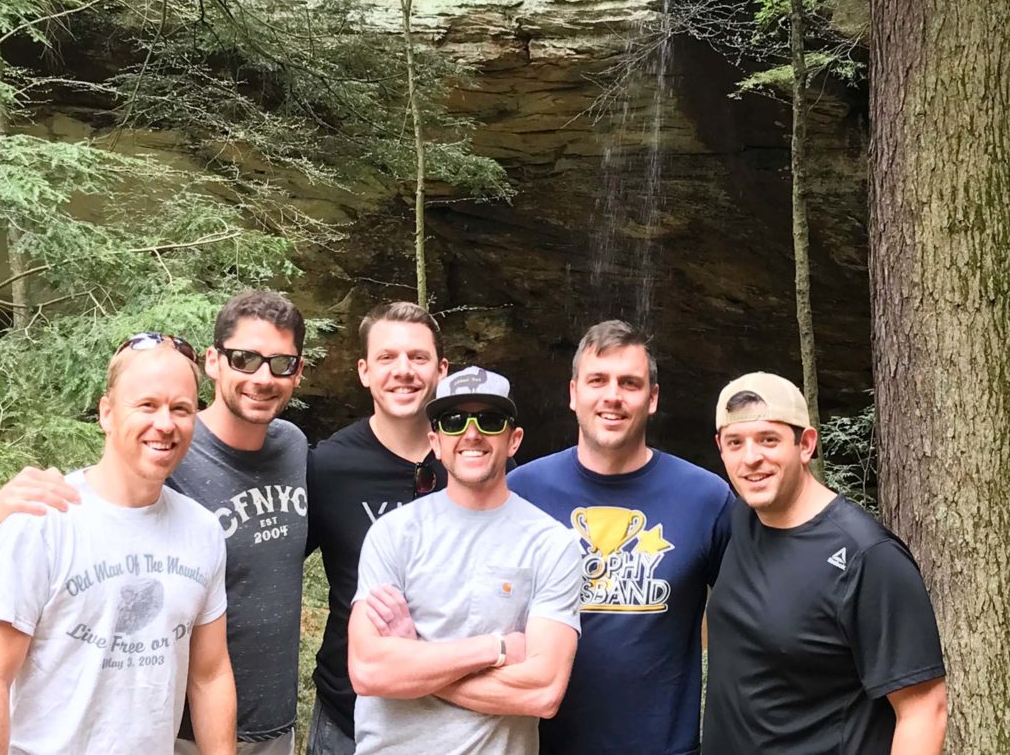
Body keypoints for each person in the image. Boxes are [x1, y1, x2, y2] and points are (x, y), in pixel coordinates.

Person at [0, 291, 309, 754]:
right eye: (244, 359)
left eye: (280, 363)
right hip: (175, 733)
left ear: (297, 371)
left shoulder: (291, 451)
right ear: (215, 362)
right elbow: (112, 491)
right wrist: (4, 517)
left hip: (262, 723)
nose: (262, 377)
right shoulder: (154, 461)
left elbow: (213, 669)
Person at [0, 333, 235, 754]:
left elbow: (210, 674)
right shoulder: (41, 521)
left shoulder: (202, 531)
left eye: (181, 408)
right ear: (106, 413)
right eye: (147, 405)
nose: (165, 424)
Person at [506, 320, 735, 755]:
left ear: (652, 399)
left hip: (664, 746)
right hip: (541, 744)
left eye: (629, 383)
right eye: (598, 380)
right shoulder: (523, 492)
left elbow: (760, 610)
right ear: (574, 393)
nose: (612, 396)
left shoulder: (706, 498)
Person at [703, 372, 948, 754]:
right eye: (736, 443)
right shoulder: (741, 520)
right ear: (721, 448)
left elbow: (924, 710)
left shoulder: (867, 556)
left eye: (769, 440)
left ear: (806, 444)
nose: (751, 458)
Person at [347, 366, 583, 755]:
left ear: (514, 440)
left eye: (489, 420)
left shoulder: (552, 544)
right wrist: (496, 649)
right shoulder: (393, 535)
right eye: (454, 421)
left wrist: (415, 657)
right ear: (435, 442)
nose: (471, 434)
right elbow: (369, 670)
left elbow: (543, 691)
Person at [305, 301, 449, 754]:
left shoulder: (475, 460)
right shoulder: (328, 465)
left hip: (450, 719)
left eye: (418, 358)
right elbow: (263, 554)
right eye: (387, 358)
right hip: (348, 717)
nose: (403, 370)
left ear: (441, 370)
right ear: (365, 371)